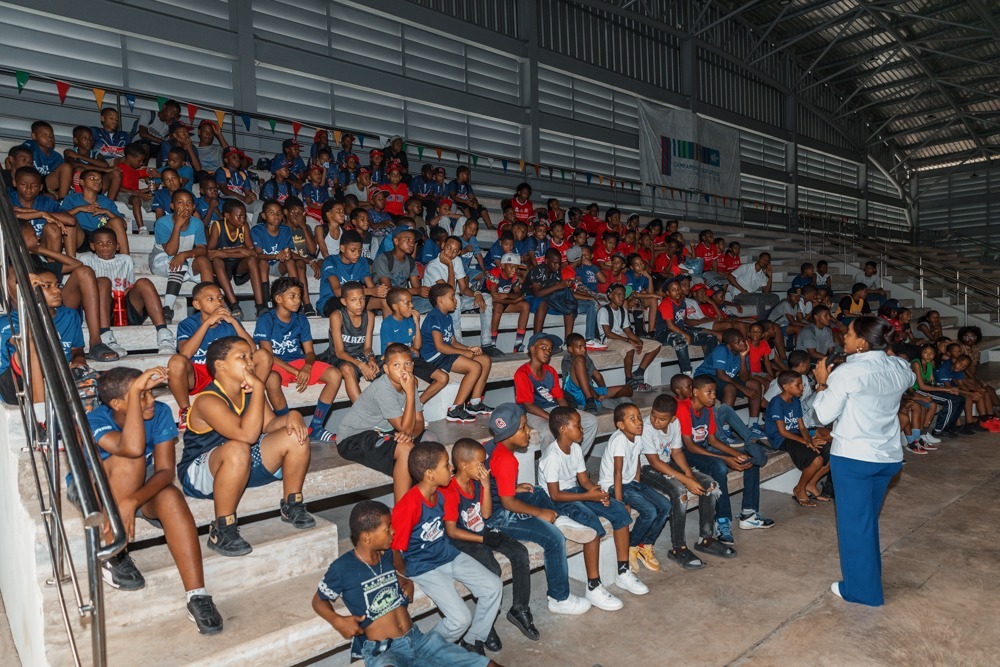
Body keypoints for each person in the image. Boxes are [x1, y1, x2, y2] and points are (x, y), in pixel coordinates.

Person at [83, 367, 223, 634]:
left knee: (170, 496)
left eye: (149, 393)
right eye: (140, 395)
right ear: (116, 404)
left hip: (139, 485)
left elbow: (165, 472)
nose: (151, 400)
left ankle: (197, 595)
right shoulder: (96, 418)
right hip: (99, 487)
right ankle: (113, 549)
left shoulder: (159, 412)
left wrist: (133, 501)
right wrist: (136, 388)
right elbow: (131, 449)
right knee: (131, 460)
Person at [312, 501, 503, 667]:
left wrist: (404, 579)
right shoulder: (343, 568)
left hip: (418, 639)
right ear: (367, 536)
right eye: (387, 528)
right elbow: (318, 601)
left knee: (489, 664)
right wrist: (337, 620)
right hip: (384, 650)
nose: (393, 531)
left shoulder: (386, 554)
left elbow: (393, 572)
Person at [179, 336, 315, 557]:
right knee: (238, 447)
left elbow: (270, 425)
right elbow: (247, 435)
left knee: (295, 435)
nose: (251, 363)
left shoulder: (248, 393)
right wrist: (260, 387)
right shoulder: (207, 400)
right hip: (201, 473)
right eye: (242, 357)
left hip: (240, 464)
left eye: (251, 357)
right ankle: (223, 528)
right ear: (220, 366)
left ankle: (292, 505)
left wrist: (293, 415)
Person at [812, 316, 914, 606]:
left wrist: (821, 384)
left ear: (861, 342)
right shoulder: (899, 367)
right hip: (888, 459)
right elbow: (908, 373)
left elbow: (821, 416)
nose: (843, 337)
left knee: (855, 528)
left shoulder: (846, 374)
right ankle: (866, 578)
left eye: (848, 333)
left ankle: (862, 592)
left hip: (855, 460)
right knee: (865, 523)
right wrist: (884, 349)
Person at [482, 403, 594, 616]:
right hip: (496, 516)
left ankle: (561, 520)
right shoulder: (506, 460)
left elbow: (491, 482)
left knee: (538, 491)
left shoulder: (492, 447)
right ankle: (559, 598)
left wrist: (513, 488)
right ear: (509, 433)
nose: (529, 432)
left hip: (494, 500)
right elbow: (508, 504)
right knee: (554, 539)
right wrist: (539, 513)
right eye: (524, 428)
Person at [391, 442, 502, 655]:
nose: (451, 468)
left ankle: (473, 639)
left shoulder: (442, 493)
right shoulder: (408, 506)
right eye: (446, 465)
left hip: (448, 554)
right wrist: (402, 577)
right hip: (425, 566)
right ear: (430, 474)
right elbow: (394, 549)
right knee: (460, 619)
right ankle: (423, 651)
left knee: (493, 586)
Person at [541, 407, 647, 611]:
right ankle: (593, 585)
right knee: (592, 522)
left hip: (575, 490)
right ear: (563, 429)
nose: (582, 429)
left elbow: (583, 480)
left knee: (619, 511)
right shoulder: (552, 456)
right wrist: (587, 495)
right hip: (557, 500)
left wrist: (599, 493)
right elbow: (555, 495)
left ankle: (623, 572)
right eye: (578, 425)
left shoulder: (576, 448)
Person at [442, 439, 539, 644]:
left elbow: (485, 514)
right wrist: (483, 538)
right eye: (479, 464)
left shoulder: (477, 482)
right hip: (463, 539)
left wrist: (485, 486)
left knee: (520, 552)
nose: (484, 468)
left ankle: (520, 609)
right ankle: (485, 624)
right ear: (463, 465)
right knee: (492, 569)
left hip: (481, 530)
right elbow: (451, 531)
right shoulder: (450, 489)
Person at [638, 394, 734, 568]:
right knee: (679, 492)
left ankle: (706, 539)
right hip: (647, 470)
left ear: (672, 418)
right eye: (653, 415)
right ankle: (678, 548)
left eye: (661, 419)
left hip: (667, 463)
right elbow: (654, 462)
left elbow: (677, 453)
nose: (655, 421)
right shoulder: (646, 428)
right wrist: (685, 481)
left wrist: (689, 475)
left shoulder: (675, 423)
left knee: (710, 485)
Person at [678, 375, 773, 546]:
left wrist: (735, 455)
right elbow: (690, 446)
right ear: (695, 392)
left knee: (747, 459)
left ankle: (749, 514)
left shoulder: (707, 409)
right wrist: (726, 458)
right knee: (720, 466)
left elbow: (713, 440)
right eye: (709, 392)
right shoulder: (683, 408)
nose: (714, 396)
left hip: (704, 448)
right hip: (684, 455)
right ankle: (722, 520)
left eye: (714, 392)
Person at [167, 282, 270, 428]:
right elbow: (185, 353)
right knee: (176, 361)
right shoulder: (188, 324)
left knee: (263, 355)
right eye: (210, 299)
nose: (218, 302)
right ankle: (185, 412)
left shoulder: (230, 323)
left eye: (220, 298)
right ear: (197, 305)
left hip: (226, 372)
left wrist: (234, 322)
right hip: (199, 373)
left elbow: (252, 350)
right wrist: (207, 323)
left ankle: (251, 399)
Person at [253, 277, 343, 441]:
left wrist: (307, 367)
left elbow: (309, 352)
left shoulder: (301, 319)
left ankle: (316, 426)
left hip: (298, 361)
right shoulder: (266, 320)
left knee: (335, 375)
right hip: (276, 363)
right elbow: (268, 355)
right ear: (278, 299)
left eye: (299, 296)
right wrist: (296, 371)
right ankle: (288, 424)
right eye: (292, 296)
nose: (298, 300)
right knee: (271, 379)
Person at [336, 343, 424, 502]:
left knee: (430, 443)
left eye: (407, 364)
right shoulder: (384, 388)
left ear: (412, 365)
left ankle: (422, 508)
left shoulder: (410, 382)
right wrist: (410, 392)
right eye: (396, 365)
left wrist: (407, 436)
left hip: (384, 431)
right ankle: (402, 516)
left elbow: (418, 422)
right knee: (406, 450)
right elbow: (405, 428)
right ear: (386, 369)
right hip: (354, 436)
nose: (403, 370)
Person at [78, 227, 176, 355]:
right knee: (103, 282)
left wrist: (126, 292)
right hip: (99, 310)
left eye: (110, 243)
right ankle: (105, 336)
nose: (105, 246)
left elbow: (129, 285)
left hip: (124, 309)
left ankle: (163, 334)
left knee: (144, 282)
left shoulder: (126, 260)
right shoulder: (86, 259)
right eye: (99, 243)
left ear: (117, 246)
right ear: (92, 246)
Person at [599, 403, 672, 574]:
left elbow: (637, 462)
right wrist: (620, 502)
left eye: (639, 417)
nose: (639, 421)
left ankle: (645, 544)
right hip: (613, 485)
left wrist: (637, 483)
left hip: (631, 482)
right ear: (621, 425)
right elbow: (617, 473)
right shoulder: (618, 439)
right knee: (650, 511)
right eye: (632, 419)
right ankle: (631, 546)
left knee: (665, 506)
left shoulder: (637, 436)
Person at [514, 333, 599, 454]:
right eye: (543, 348)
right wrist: (555, 419)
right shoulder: (522, 373)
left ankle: (574, 462)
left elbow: (560, 398)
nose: (548, 352)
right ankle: (549, 469)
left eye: (549, 349)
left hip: (554, 408)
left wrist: (568, 415)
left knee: (591, 421)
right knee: (549, 431)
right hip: (533, 413)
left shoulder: (550, 371)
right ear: (532, 349)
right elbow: (529, 406)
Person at [420, 283, 494, 422]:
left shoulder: (447, 317)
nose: (456, 300)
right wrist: (464, 353)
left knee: (484, 359)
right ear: (440, 299)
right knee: (475, 367)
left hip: (444, 353)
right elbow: (440, 346)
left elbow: (453, 342)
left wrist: (468, 348)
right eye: (452, 297)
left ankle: (475, 403)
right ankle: (456, 409)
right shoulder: (435, 316)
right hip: (434, 356)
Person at [764, 371, 833, 507]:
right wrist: (806, 442)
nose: (802, 388)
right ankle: (799, 489)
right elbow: (782, 431)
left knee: (832, 452)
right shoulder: (777, 403)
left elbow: (802, 427)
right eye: (798, 385)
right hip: (781, 438)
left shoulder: (795, 400)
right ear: (786, 387)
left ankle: (811, 484)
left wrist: (809, 439)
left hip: (796, 434)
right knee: (816, 460)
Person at [422, 235, 499, 355]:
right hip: (437, 305)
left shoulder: (457, 261)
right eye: (448, 248)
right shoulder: (433, 266)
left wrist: (477, 293)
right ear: (442, 246)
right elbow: (448, 291)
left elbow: (464, 289)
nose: (451, 253)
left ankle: (487, 343)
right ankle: (458, 345)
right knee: (455, 298)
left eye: (455, 251)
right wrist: (450, 266)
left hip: (452, 300)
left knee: (486, 298)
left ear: (459, 253)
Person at [149, 189, 213, 322]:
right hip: (162, 259)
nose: (185, 207)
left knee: (204, 262)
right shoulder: (162, 223)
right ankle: (167, 308)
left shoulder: (197, 224)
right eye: (180, 203)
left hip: (185, 258)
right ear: (172, 206)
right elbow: (171, 252)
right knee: (181, 265)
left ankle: (211, 304)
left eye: (189, 203)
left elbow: (202, 249)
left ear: (194, 207)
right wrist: (177, 225)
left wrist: (184, 254)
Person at [380, 287, 450, 405]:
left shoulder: (410, 321)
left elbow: (417, 346)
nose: (411, 305)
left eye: (411, 302)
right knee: (413, 381)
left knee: (443, 378)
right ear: (395, 306)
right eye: (407, 303)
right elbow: (393, 350)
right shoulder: (388, 323)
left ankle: (417, 406)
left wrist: (417, 323)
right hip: (397, 363)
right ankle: (409, 411)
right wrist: (410, 349)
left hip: (413, 359)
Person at [694, 328, 766, 439]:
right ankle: (724, 429)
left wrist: (742, 357)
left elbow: (745, 377)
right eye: (738, 342)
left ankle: (753, 425)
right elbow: (721, 375)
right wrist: (743, 389)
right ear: (729, 345)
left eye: (742, 340)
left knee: (755, 384)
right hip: (705, 377)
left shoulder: (742, 352)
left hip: (723, 377)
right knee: (730, 388)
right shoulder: (721, 350)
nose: (742, 343)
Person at [207, 199, 266, 319]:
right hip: (222, 267)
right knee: (217, 261)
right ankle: (234, 306)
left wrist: (224, 253)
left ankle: (260, 306)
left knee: (252, 260)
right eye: (239, 216)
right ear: (227, 216)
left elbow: (251, 252)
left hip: (238, 265)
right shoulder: (217, 226)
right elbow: (211, 253)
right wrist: (239, 251)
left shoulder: (244, 226)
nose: (243, 219)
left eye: (244, 216)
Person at [598, 284, 662, 392]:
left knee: (656, 345)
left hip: (622, 336)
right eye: (618, 294)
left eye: (623, 295)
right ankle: (628, 378)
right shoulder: (604, 311)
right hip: (609, 339)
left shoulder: (622, 310)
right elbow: (608, 333)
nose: (622, 297)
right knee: (629, 348)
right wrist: (629, 341)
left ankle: (639, 372)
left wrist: (638, 340)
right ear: (610, 296)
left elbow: (627, 330)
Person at [653, 278, 718, 376]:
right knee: (680, 340)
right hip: (663, 332)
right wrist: (685, 334)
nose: (677, 292)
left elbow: (682, 321)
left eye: (678, 289)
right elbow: (670, 326)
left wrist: (692, 331)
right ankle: (686, 372)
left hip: (679, 330)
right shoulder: (666, 303)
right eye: (673, 290)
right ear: (667, 293)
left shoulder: (682, 303)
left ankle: (708, 368)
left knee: (711, 337)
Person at [561, 333, 632, 413]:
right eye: (580, 347)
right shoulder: (568, 359)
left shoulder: (585, 357)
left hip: (591, 390)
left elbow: (598, 376)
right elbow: (579, 382)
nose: (584, 350)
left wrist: (604, 396)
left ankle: (607, 401)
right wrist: (595, 395)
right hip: (574, 392)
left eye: (585, 347)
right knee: (579, 360)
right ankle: (590, 401)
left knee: (628, 389)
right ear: (570, 349)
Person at [484, 252, 531, 353]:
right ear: (503, 265)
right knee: (499, 306)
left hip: (503, 302)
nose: (514, 270)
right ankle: (492, 344)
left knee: (525, 305)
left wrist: (507, 296)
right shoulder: (494, 274)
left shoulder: (514, 276)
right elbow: (495, 298)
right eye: (511, 267)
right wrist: (513, 301)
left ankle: (518, 344)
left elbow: (519, 294)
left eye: (516, 268)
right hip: (486, 304)